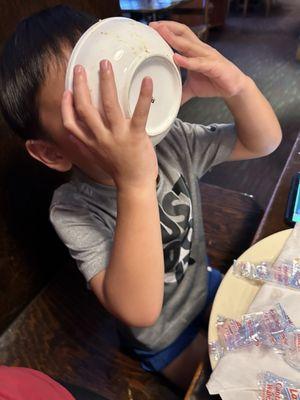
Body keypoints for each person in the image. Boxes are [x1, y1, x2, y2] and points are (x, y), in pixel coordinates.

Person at [0, 5, 282, 391]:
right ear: (53, 153)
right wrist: (134, 183)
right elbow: (140, 311)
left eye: (113, 87)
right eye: (86, 109)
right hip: (163, 337)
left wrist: (236, 85)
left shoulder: (171, 141)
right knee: (224, 378)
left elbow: (263, 142)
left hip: (203, 284)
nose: (117, 114)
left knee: (275, 333)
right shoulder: (73, 210)